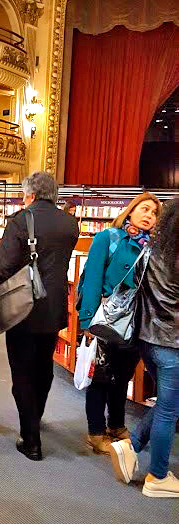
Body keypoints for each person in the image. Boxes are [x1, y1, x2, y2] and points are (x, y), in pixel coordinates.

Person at [0, 172, 79, 461]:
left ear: (29, 194)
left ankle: (31, 439)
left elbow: (3, 267)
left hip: (23, 305)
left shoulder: (20, 221)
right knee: (43, 367)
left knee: (22, 371)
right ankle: (35, 418)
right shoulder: (69, 223)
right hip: (54, 306)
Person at [77, 192, 161, 454]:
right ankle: (95, 431)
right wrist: (87, 321)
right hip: (107, 320)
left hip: (136, 323)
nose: (149, 215)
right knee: (102, 377)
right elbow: (92, 278)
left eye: (154, 213)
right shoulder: (109, 238)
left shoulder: (155, 248)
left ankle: (116, 425)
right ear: (131, 210)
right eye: (144, 209)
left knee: (122, 377)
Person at [110, 197, 178, 497]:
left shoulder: (151, 250)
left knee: (169, 405)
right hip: (174, 344)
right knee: (167, 411)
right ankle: (158, 477)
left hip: (148, 340)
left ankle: (132, 444)